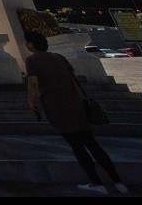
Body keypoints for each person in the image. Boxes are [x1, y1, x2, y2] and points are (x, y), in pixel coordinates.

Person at [23, 30, 128, 195]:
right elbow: (74, 79)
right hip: (75, 104)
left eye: (27, 43)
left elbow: (34, 83)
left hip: (56, 106)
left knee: (77, 146)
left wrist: (31, 101)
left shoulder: (32, 60)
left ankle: (96, 182)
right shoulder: (60, 58)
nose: (26, 45)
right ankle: (117, 181)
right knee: (92, 144)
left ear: (31, 45)